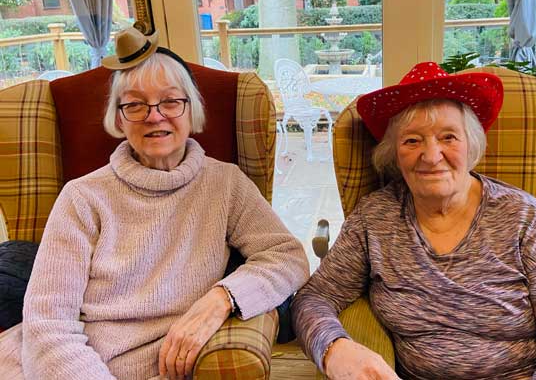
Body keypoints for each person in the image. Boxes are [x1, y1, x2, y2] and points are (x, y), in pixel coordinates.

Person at [0, 27, 309, 380]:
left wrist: (222, 299)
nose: (154, 115)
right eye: (134, 104)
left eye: (171, 101)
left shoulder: (226, 184)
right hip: (63, 366)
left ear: (191, 111)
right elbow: (48, 323)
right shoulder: (82, 197)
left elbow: (287, 255)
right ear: (118, 118)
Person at [291, 61, 536, 379]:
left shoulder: (523, 218)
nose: (432, 155)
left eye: (448, 137)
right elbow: (314, 297)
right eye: (412, 141)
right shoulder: (375, 219)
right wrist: (333, 348)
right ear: (393, 153)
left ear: (471, 143)